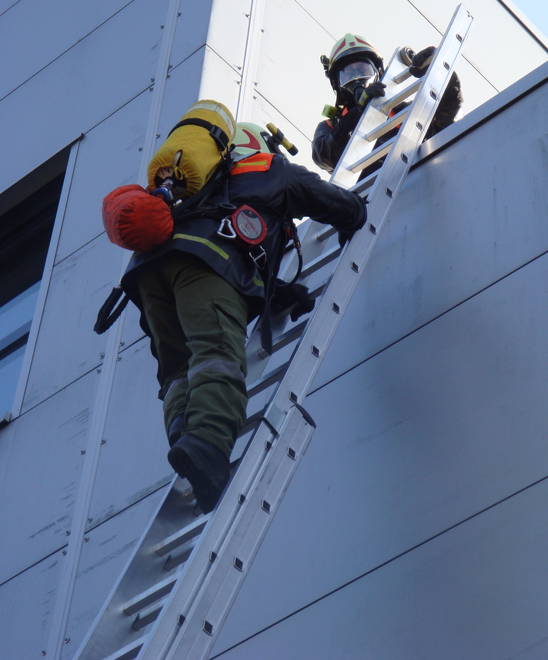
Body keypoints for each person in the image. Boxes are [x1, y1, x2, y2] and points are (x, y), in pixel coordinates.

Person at [119, 110, 367, 514]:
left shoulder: (193, 185)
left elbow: (236, 266)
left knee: (178, 370)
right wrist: (356, 212)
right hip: (203, 262)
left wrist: (279, 294)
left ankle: (184, 432)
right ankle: (208, 445)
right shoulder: (268, 167)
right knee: (217, 354)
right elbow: (321, 197)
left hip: (149, 275)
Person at [312, 33, 463, 174]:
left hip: (416, 181)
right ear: (338, 85)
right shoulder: (331, 126)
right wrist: (357, 114)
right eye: (348, 74)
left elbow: (447, 118)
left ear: (377, 73)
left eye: (364, 70)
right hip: (367, 192)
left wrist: (441, 72)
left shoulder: (402, 113)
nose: (358, 78)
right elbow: (325, 157)